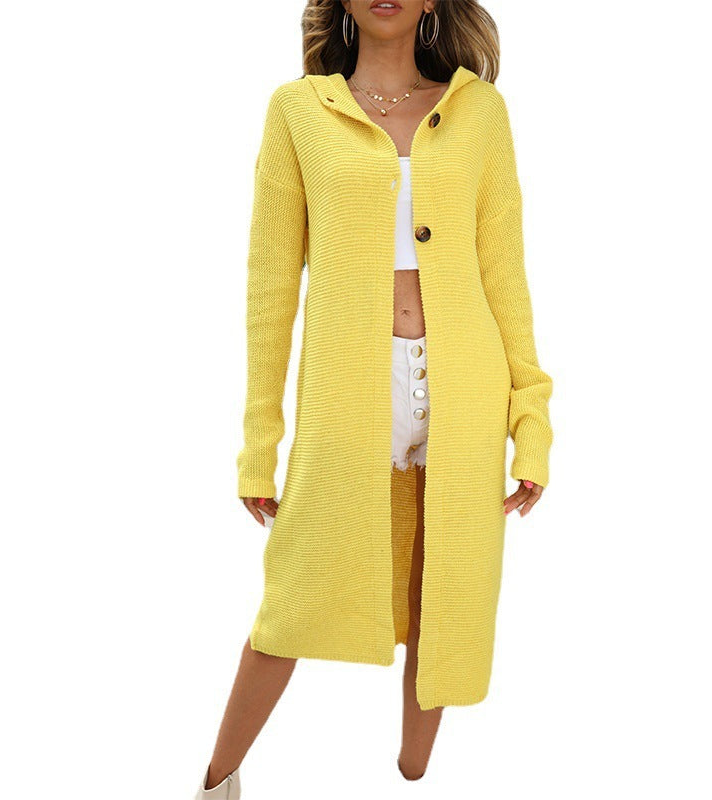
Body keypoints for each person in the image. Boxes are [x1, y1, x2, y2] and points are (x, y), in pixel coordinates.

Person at [195, 1, 553, 795]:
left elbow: (507, 276)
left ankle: (411, 777)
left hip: (466, 388)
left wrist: (532, 420)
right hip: (346, 392)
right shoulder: (298, 111)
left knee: (442, 596)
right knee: (290, 602)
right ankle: (216, 782)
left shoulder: (479, 113)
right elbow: (269, 289)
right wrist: (259, 444)